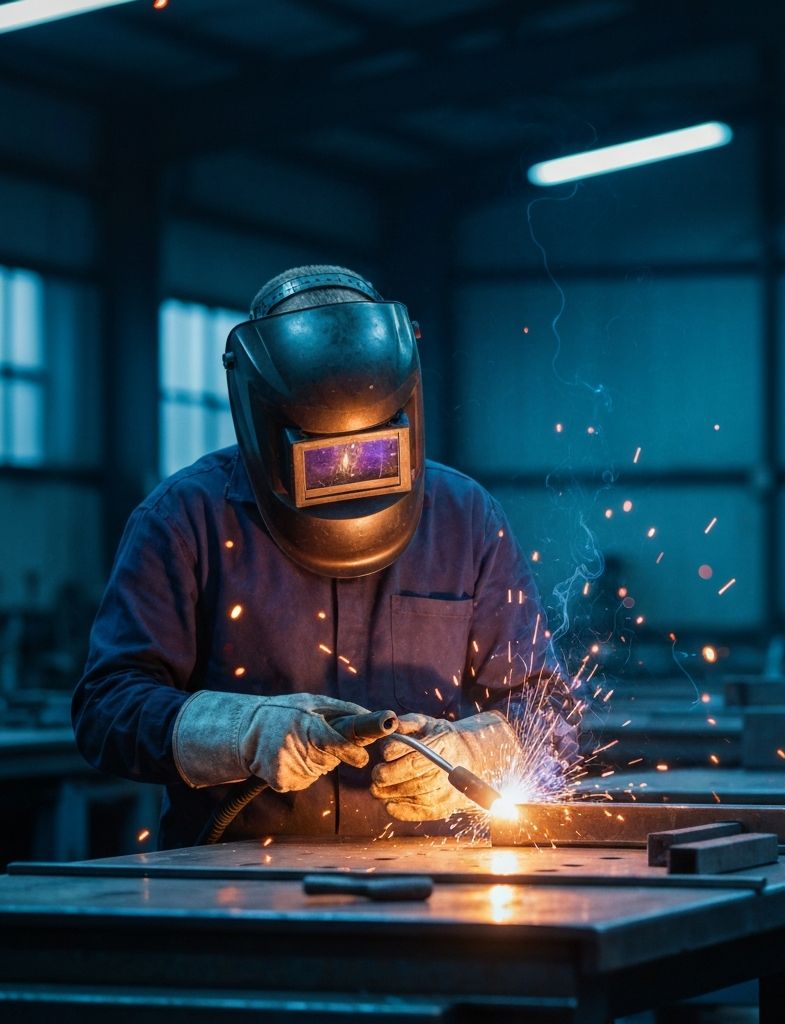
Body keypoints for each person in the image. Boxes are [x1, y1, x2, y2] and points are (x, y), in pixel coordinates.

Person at [72, 265, 577, 848]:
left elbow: (550, 713)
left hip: (437, 885)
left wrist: (475, 750)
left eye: (369, 456)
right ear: (265, 423)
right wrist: (240, 733)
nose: (348, 474)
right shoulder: (184, 521)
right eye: (323, 459)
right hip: (231, 889)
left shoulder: (466, 519)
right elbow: (106, 710)